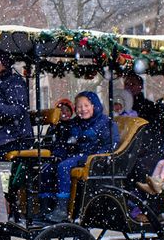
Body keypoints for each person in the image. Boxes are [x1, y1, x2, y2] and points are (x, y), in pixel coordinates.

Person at [43, 91, 119, 222]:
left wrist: (95, 156)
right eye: (79, 107)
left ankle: (63, 208)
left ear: (94, 106)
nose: (82, 110)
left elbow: (110, 145)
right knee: (48, 168)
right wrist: (58, 154)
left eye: (86, 105)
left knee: (64, 167)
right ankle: (46, 205)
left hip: (93, 158)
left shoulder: (105, 123)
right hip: (76, 156)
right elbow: (65, 144)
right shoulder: (75, 124)